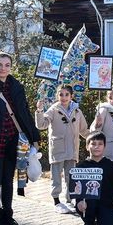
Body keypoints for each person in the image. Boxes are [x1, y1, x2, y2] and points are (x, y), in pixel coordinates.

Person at [0, 51, 40, 225]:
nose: (3, 68)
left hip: (14, 139)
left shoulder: (16, 86)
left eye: (7, 65)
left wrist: (34, 136)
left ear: (11, 67)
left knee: (8, 180)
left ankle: (8, 215)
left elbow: (24, 112)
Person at [36, 85, 90, 214]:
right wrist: (39, 111)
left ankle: (69, 200)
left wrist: (95, 137)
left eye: (66, 94)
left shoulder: (77, 111)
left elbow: (84, 130)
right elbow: (41, 125)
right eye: (61, 94)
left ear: (71, 96)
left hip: (72, 149)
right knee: (56, 176)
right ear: (57, 96)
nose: (64, 97)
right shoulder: (53, 109)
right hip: (58, 148)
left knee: (70, 176)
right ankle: (56, 201)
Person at [71, 132, 113, 225]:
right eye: (93, 144)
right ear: (87, 146)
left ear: (105, 146)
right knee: (88, 201)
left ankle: (102, 220)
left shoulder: (111, 166)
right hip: (88, 204)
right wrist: (79, 202)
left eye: (100, 144)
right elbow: (77, 191)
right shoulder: (81, 167)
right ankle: (88, 223)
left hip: (107, 204)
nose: (96, 147)